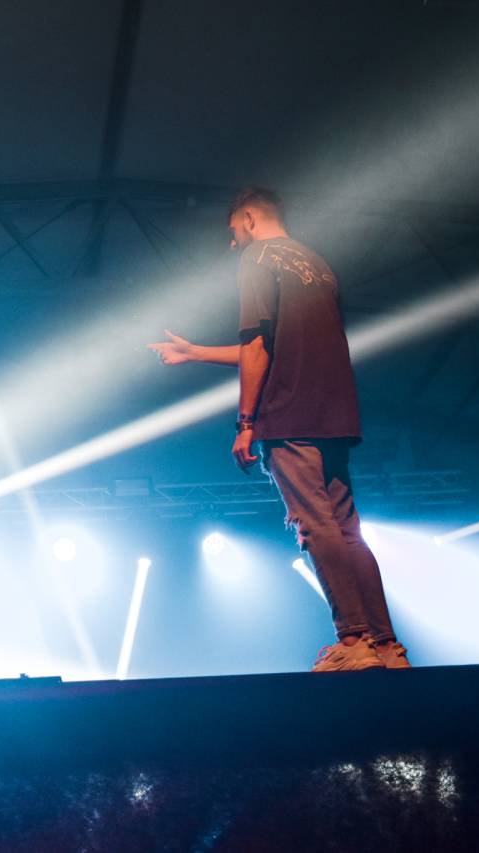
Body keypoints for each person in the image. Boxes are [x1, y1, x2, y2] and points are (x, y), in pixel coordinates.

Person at [147, 188, 410, 672]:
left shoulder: (258, 259)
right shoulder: (319, 265)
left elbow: (258, 349)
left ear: (249, 218)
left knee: (314, 525)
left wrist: (246, 423)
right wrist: (196, 352)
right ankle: (386, 646)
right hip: (334, 413)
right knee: (346, 529)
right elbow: (275, 344)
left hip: (289, 413)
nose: (233, 243)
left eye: (233, 232)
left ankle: (352, 641)